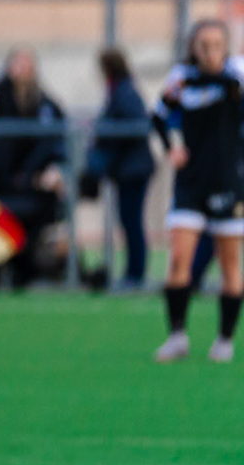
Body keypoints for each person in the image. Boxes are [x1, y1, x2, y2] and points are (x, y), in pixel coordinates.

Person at [150, 19, 244, 363]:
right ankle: (177, 335)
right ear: (193, 46)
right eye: (203, 44)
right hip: (190, 183)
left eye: (217, 44)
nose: (210, 51)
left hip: (229, 183)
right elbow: (159, 116)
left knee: (230, 265)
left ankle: (224, 339)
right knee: (178, 260)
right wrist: (170, 147)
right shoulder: (181, 79)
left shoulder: (236, 76)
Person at [0, 48, 67, 289]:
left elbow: (57, 143)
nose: (24, 71)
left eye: (28, 66)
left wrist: (53, 170)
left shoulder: (44, 104)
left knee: (45, 211)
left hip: (33, 187)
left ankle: (24, 271)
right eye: (19, 65)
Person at [87, 47, 154, 291]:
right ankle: (132, 273)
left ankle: (135, 274)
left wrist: (108, 143)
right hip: (128, 169)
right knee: (128, 222)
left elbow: (133, 127)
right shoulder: (119, 90)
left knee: (132, 222)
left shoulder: (124, 92)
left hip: (133, 170)